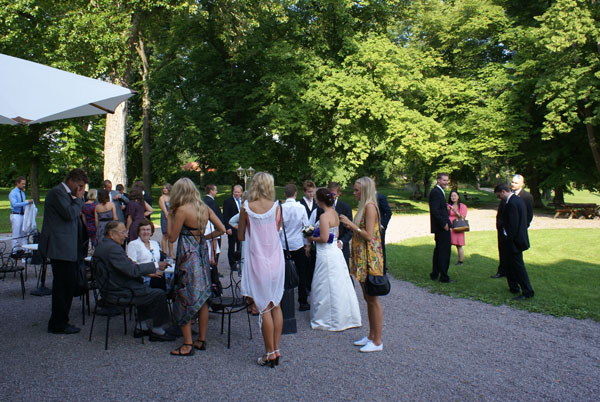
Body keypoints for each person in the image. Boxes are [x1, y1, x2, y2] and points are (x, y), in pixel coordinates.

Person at [168, 178, 225, 356]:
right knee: (202, 297)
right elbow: (222, 229)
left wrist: (170, 216)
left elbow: (172, 237)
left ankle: (187, 344)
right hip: (201, 255)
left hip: (187, 257)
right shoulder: (204, 208)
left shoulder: (182, 210)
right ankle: (201, 339)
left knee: (184, 296)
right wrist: (204, 238)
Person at [94, 221, 174, 341]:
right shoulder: (113, 249)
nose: (126, 236)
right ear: (112, 234)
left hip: (109, 288)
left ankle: (141, 326)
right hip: (118, 291)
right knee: (158, 294)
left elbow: (126, 268)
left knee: (144, 287)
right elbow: (132, 270)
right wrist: (155, 265)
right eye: (123, 232)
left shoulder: (102, 246)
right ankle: (157, 330)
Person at [238, 172, 285, 367]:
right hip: (276, 259)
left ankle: (269, 352)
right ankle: (276, 349)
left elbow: (240, 235)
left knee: (264, 306)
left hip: (257, 260)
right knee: (276, 304)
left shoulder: (247, 207)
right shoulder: (276, 207)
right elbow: (277, 229)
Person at [40, 168, 88, 334]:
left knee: (68, 285)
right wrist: (79, 199)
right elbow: (69, 214)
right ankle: (58, 323)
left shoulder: (66, 195)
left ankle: (62, 320)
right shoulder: (57, 193)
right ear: (72, 180)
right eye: (80, 186)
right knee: (62, 286)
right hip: (60, 248)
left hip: (68, 248)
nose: (81, 190)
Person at [340, 177, 384, 352]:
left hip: (370, 258)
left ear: (364, 191)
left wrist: (351, 225)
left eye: (357, 190)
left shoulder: (370, 207)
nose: (354, 193)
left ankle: (377, 341)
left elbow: (369, 235)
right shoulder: (363, 207)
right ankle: (371, 336)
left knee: (373, 299)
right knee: (367, 298)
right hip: (362, 257)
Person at [307, 188, 361, 331]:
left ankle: (329, 319)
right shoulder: (335, 213)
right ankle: (344, 315)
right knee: (339, 284)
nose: (315, 200)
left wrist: (311, 238)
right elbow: (335, 235)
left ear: (320, 200)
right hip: (335, 252)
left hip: (326, 254)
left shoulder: (324, 217)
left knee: (325, 284)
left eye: (316, 198)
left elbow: (324, 238)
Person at [494, 184, 534, 300]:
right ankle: (514, 287)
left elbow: (512, 225)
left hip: (514, 241)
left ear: (503, 192)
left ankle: (527, 291)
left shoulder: (512, 203)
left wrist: (506, 236)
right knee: (510, 265)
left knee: (518, 266)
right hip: (516, 239)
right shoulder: (517, 200)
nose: (499, 198)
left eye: (499, 196)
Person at [279, 183, 310, 311]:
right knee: (302, 272)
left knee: (282, 272)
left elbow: (278, 228)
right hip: (298, 244)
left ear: (285, 194)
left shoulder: (281, 208)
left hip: (284, 244)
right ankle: (303, 301)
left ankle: (281, 299)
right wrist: (307, 244)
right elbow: (306, 226)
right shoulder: (301, 207)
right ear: (296, 194)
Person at [127, 219, 165, 290]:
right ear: (139, 232)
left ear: (151, 232)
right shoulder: (133, 244)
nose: (146, 232)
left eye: (148, 230)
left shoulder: (155, 243)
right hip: (142, 277)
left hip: (157, 274)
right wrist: (150, 274)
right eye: (143, 230)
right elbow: (132, 266)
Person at [429, 173, 453, 283]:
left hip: (441, 226)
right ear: (438, 180)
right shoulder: (436, 192)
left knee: (439, 250)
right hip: (441, 227)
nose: (446, 182)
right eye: (444, 180)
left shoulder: (439, 191)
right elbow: (435, 210)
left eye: (447, 180)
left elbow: (439, 208)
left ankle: (435, 274)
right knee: (444, 252)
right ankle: (443, 277)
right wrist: (444, 224)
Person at [299, 180, 319, 300]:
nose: (310, 194)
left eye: (312, 192)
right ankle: (305, 286)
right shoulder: (300, 204)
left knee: (313, 264)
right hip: (304, 236)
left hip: (314, 236)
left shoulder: (317, 204)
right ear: (304, 192)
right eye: (308, 192)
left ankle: (312, 286)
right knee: (305, 264)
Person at [327, 182, 353, 269]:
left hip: (342, 247)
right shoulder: (321, 207)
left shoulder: (346, 207)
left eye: (333, 194)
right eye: (329, 194)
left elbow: (350, 230)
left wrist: (341, 242)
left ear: (338, 194)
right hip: (327, 248)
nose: (331, 197)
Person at [9, 176, 33, 251]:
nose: (24, 185)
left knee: (24, 234)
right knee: (16, 234)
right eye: (22, 184)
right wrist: (27, 202)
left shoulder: (22, 193)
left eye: (24, 184)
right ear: (17, 183)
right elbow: (14, 204)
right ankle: (14, 251)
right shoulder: (13, 193)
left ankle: (25, 251)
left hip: (23, 215)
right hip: (16, 215)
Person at [223, 184, 243, 270]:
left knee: (240, 246)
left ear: (241, 192)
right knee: (231, 247)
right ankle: (232, 264)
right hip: (232, 227)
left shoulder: (244, 201)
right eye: (235, 192)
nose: (237, 194)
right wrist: (227, 228)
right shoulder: (228, 201)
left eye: (238, 192)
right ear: (233, 192)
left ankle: (240, 262)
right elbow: (225, 216)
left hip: (241, 228)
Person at [203, 184, 224, 263]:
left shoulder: (205, 200)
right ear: (211, 191)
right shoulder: (210, 202)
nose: (216, 192)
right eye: (215, 190)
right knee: (214, 249)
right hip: (213, 229)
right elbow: (214, 216)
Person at [447, 190, 468, 265]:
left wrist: (455, 211)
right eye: (452, 196)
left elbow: (463, 217)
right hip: (449, 227)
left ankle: (460, 261)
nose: (453, 197)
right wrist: (447, 210)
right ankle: (446, 260)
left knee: (459, 245)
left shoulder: (462, 206)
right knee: (447, 244)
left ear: (458, 197)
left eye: (455, 195)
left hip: (458, 226)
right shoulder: (448, 205)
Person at [377, 191, 392, 270]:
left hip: (379, 228)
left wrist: (382, 225)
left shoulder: (380, 197)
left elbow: (388, 212)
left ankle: (382, 268)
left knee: (381, 247)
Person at [158, 183, 173, 257]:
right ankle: (164, 253)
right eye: (163, 188)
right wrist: (168, 218)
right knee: (165, 235)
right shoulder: (162, 198)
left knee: (171, 236)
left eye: (166, 188)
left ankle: (171, 254)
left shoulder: (172, 197)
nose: (164, 189)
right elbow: (164, 211)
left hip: (172, 217)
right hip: (165, 217)